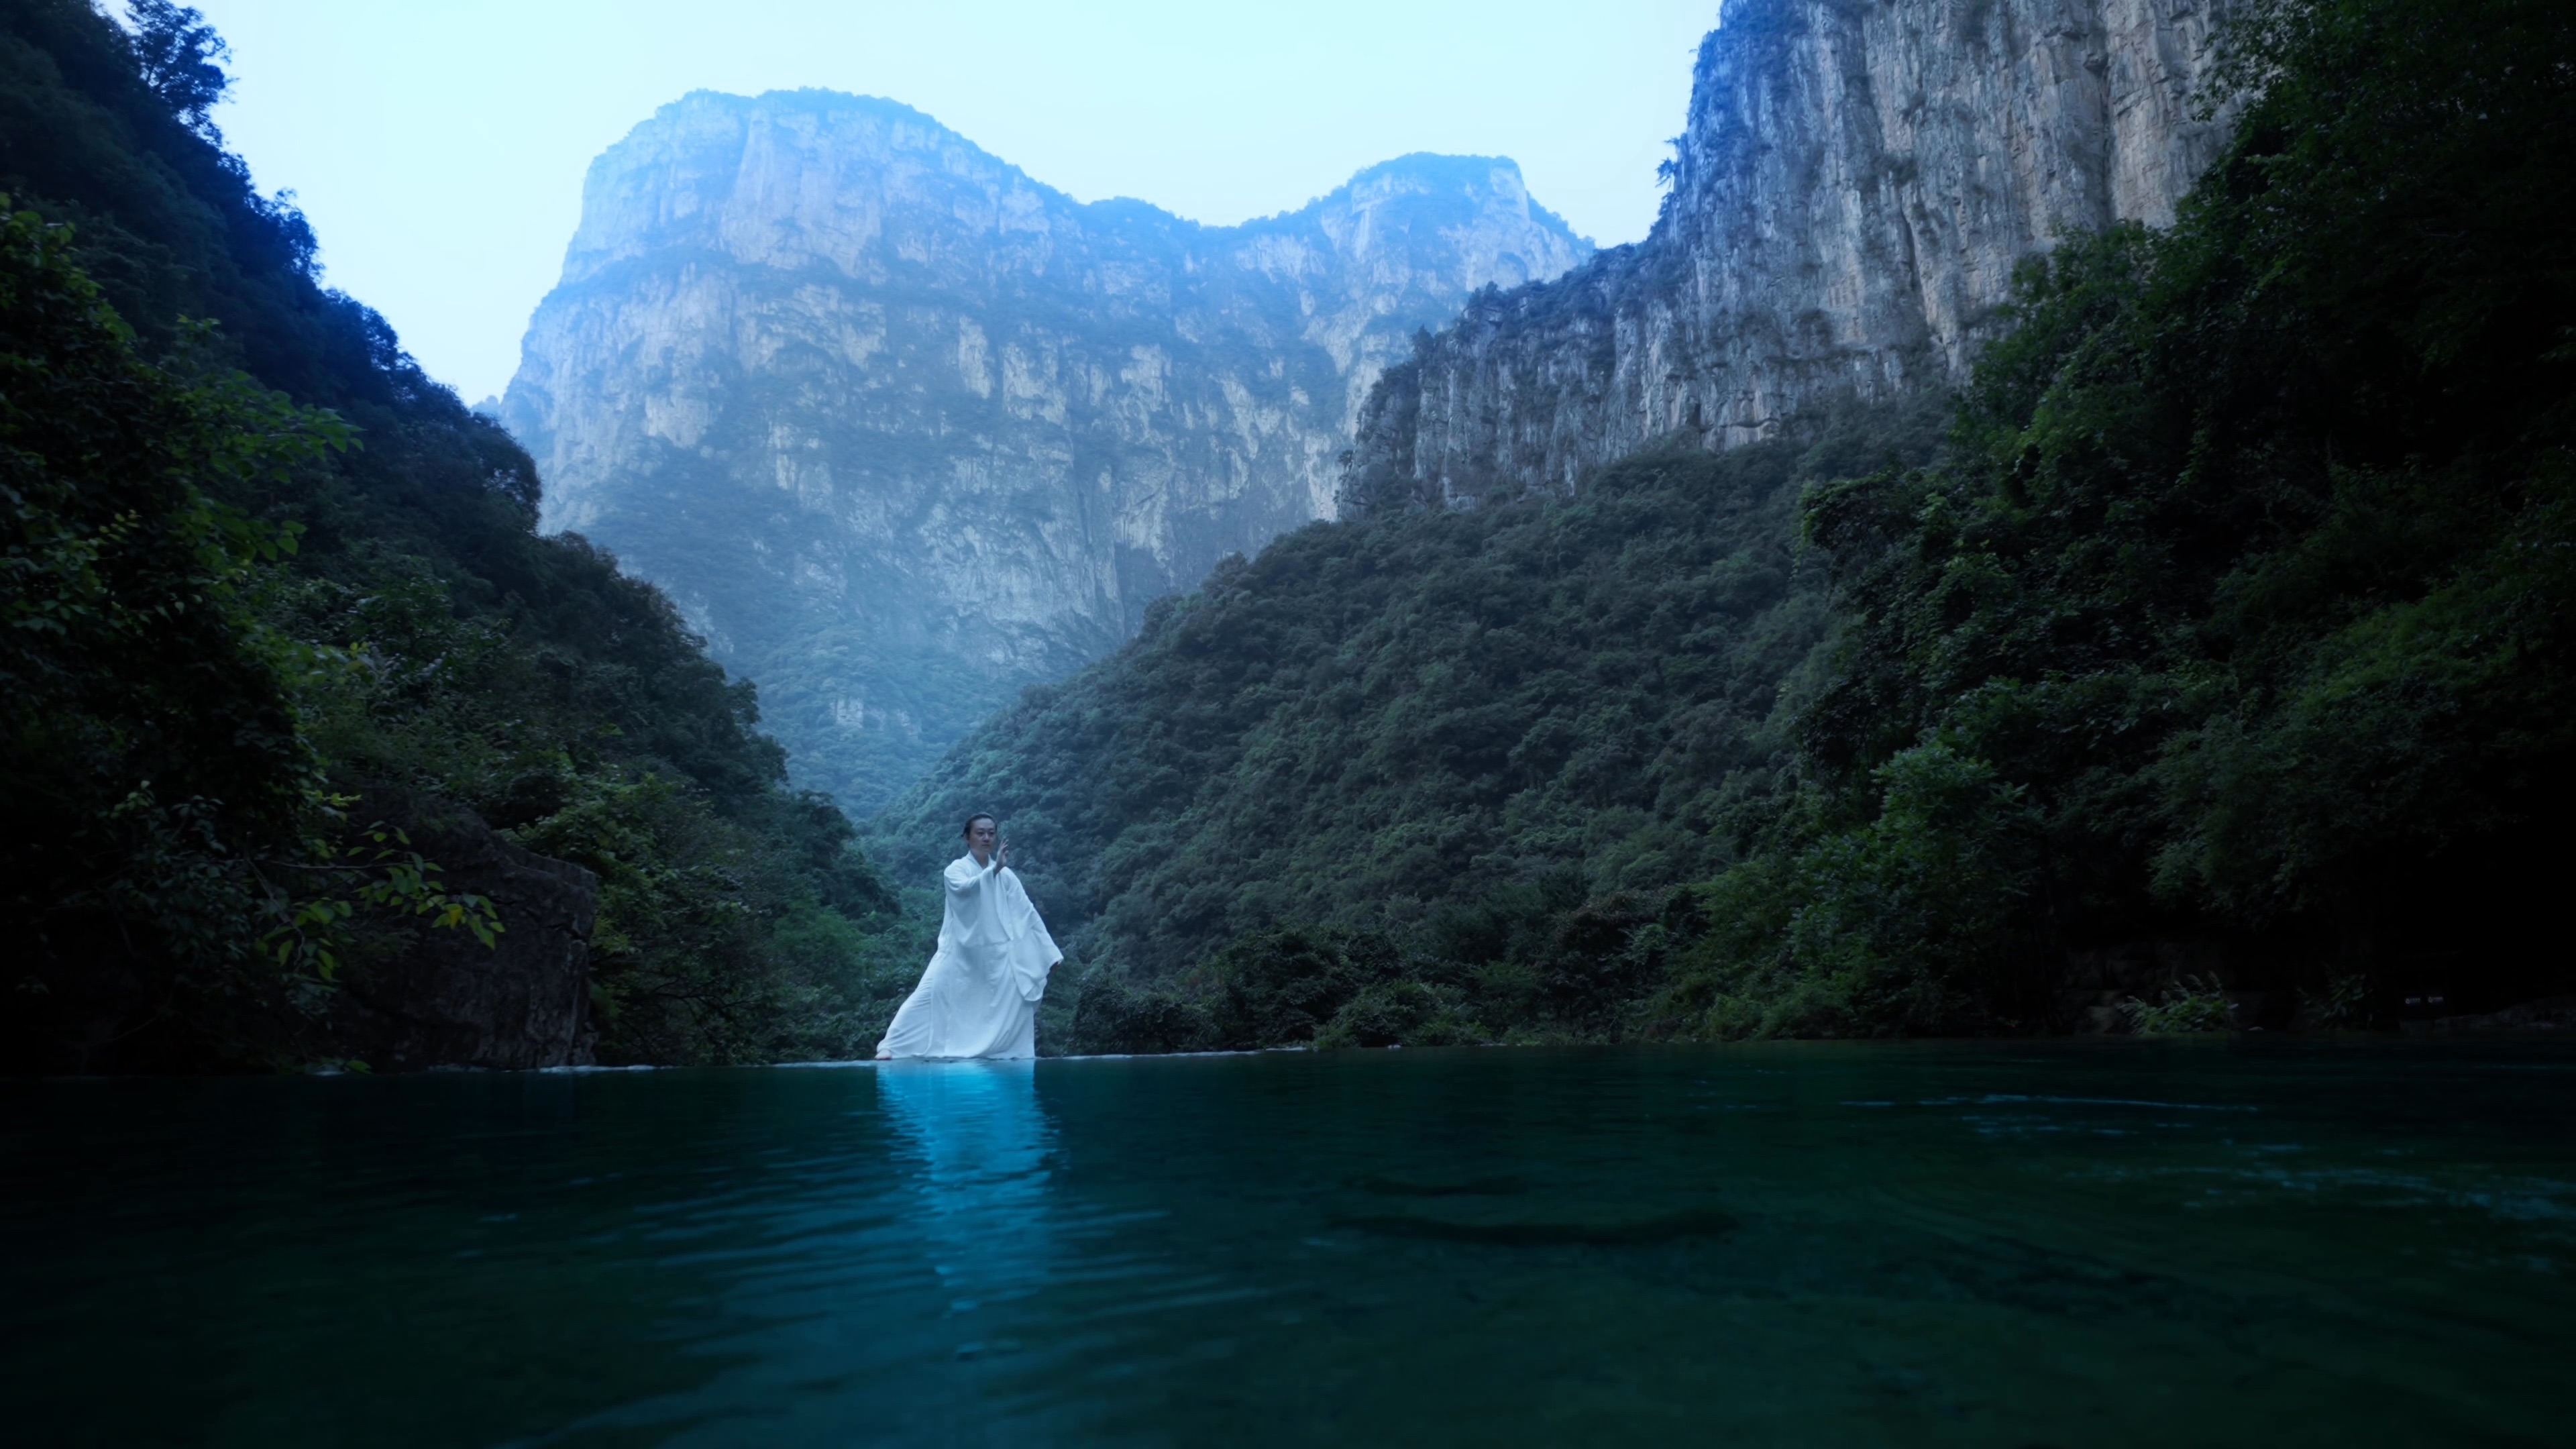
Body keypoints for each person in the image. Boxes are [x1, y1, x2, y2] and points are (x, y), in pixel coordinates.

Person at [874, 814, 1061, 1060]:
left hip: (994, 955)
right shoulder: (956, 869)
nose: (986, 838)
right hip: (957, 950)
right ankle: (890, 1045)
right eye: (980, 833)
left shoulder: (1007, 876)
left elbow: (1027, 912)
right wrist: (994, 871)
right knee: (928, 993)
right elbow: (964, 890)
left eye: (991, 833)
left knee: (1019, 989)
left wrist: (1049, 952)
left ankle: (999, 1048)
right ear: (967, 837)